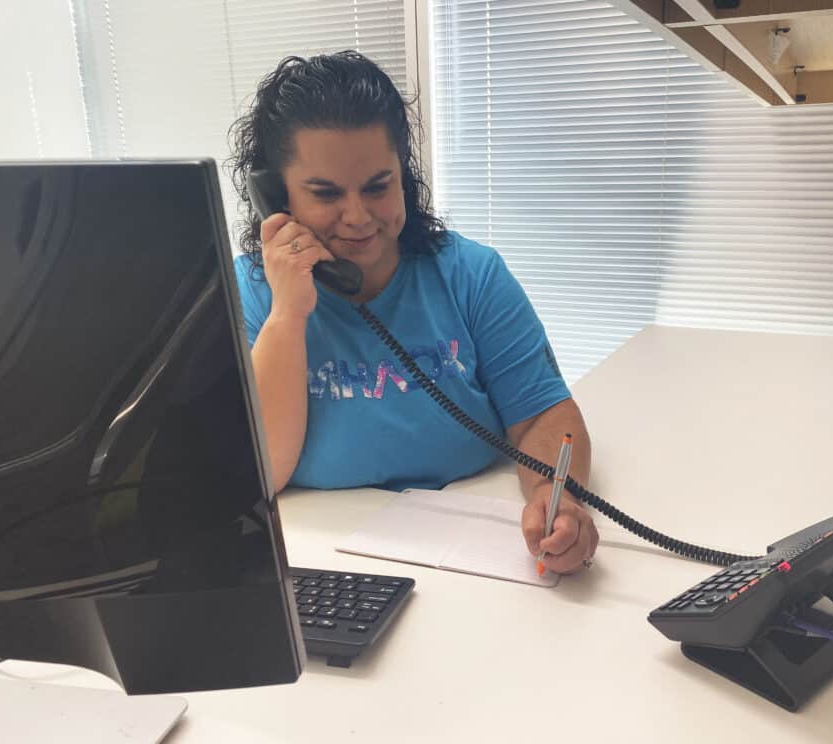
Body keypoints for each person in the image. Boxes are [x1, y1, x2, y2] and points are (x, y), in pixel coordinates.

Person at [226, 51, 597, 574]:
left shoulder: (472, 275)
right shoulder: (249, 294)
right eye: (326, 194)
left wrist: (557, 501)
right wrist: (289, 314)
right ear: (275, 197)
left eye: (378, 186)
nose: (357, 218)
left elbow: (541, 415)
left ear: (404, 174)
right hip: (320, 563)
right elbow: (265, 473)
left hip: (476, 553)